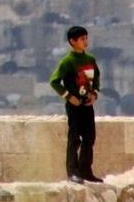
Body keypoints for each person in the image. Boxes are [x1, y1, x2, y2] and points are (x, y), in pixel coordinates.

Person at [49, 24, 102, 183]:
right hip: (74, 106)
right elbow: (54, 81)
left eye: (86, 38)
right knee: (74, 139)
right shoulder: (68, 62)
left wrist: (95, 94)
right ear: (72, 41)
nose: (85, 41)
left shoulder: (90, 59)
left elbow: (96, 78)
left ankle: (86, 170)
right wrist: (68, 96)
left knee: (89, 138)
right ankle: (72, 171)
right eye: (82, 39)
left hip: (87, 105)